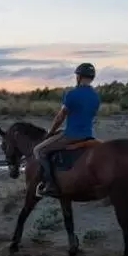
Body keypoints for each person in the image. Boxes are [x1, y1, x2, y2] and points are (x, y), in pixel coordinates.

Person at [33, 63, 101, 197]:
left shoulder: (72, 94)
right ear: (92, 78)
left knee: (39, 150)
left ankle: (50, 185)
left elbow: (60, 117)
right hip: (88, 134)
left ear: (79, 76)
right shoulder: (95, 96)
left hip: (72, 135)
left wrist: (51, 132)